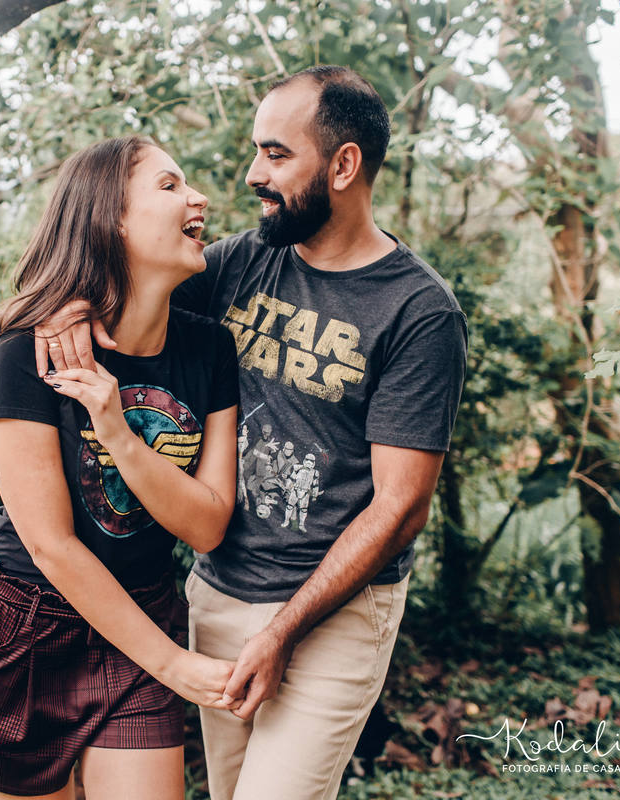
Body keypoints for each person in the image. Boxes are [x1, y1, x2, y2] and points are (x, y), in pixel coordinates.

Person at [36, 66, 468, 800]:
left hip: (333, 616)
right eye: (255, 151)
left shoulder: (418, 312)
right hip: (218, 592)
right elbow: (130, 288)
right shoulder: (240, 263)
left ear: (343, 165)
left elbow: (400, 508)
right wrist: (68, 306)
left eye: (275, 153)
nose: (252, 174)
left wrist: (283, 632)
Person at [0, 136, 243, 800]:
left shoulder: (210, 348)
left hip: (141, 616)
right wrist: (175, 664)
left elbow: (207, 526)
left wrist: (116, 430)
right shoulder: (28, 353)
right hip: (28, 624)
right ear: (109, 217)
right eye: (169, 185)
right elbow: (51, 545)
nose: (199, 197)